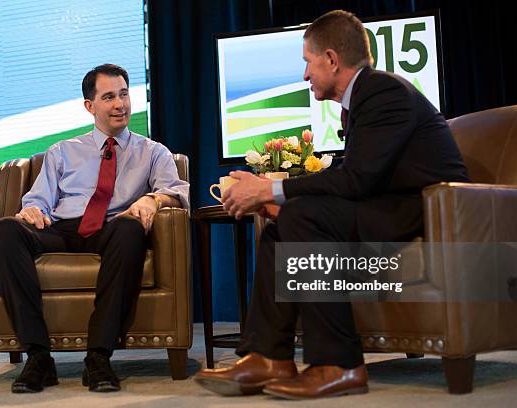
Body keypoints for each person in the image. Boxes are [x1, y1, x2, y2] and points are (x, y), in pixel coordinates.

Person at [194, 10, 469, 400]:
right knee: (283, 225)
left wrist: (270, 190)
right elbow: (357, 177)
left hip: (428, 212)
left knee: (301, 216)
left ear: (331, 59)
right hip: (389, 206)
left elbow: (355, 178)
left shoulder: (383, 91)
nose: (305, 75)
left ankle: (339, 364)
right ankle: (268, 357)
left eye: (307, 63)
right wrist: (278, 201)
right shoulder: (364, 98)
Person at [0, 64, 189, 393]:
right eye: (109, 97)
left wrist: (153, 200)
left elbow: (178, 192)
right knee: (5, 231)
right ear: (90, 106)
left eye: (124, 94)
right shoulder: (62, 151)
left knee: (130, 229)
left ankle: (98, 356)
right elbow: (37, 199)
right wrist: (32, 210)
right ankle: (38, 357)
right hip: (62, 229)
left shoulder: (153, 152)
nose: (119, 105)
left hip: (112, 230)